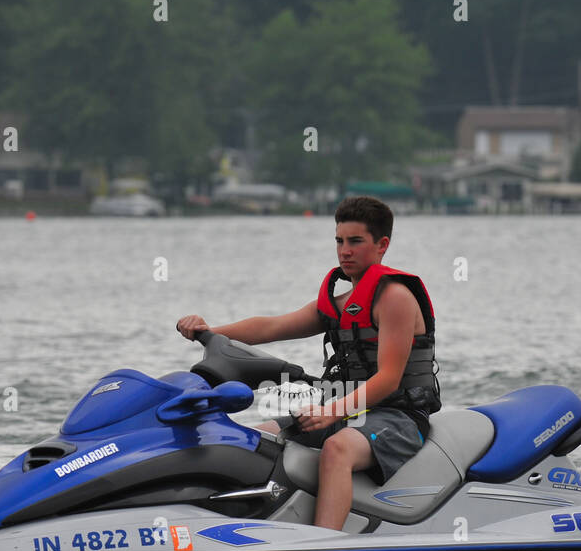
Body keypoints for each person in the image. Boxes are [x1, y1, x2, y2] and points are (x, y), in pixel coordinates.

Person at [175, 196, 440, 531]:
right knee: (255, 439)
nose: (345, 251)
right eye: (340, 241)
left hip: (400, 418)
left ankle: (322, 544)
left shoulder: (396, 298)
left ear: (381, 245)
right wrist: (208, 332)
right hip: (349, 410)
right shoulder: (339, 303)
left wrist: (331, 412)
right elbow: (270, 327)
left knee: (338, 448)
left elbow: (388, 379)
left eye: (356, 242)